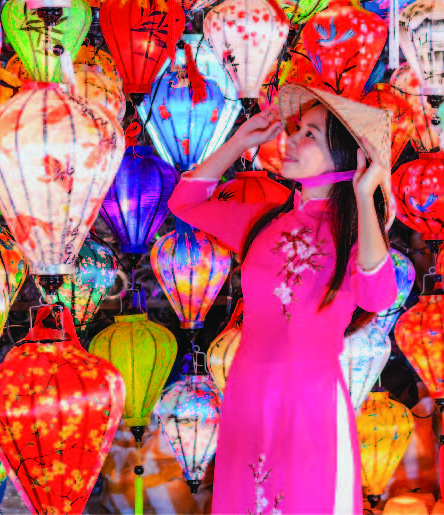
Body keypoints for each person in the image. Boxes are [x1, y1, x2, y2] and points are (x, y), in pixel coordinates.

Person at [167, 84, 405, 514]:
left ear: (347, 157)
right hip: (247, 396)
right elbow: (185, 203)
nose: (291, 140)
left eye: (310, 134)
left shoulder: (352, 233)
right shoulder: (266, 217)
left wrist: (365, 193)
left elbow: (379, 293)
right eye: (296, 129)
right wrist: (239, 142)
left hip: (309, 402)